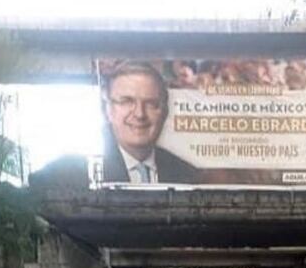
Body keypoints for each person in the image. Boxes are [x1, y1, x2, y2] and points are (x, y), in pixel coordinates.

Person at [29, 60, 199, 187]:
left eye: (151, 103)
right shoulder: (64, 175)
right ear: (107, 110)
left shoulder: (189, 176)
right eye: (126, 101)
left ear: (165, 112)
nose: (140, 114)